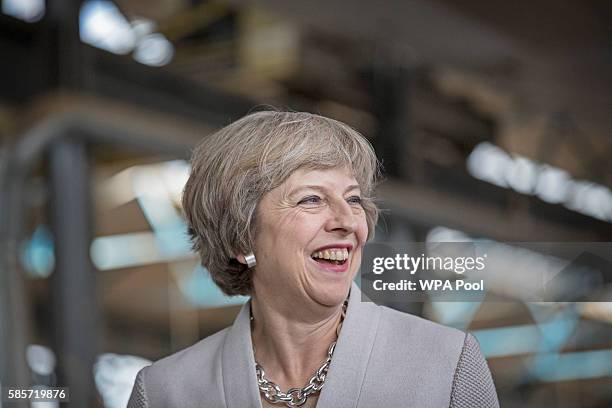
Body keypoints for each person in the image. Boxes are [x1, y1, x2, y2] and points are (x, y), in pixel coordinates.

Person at [127, 110, 499, 408]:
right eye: (311, 199)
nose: (348, 222)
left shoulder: (447, 363)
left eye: (353, 199)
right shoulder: (163, 392)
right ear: (241, 238)